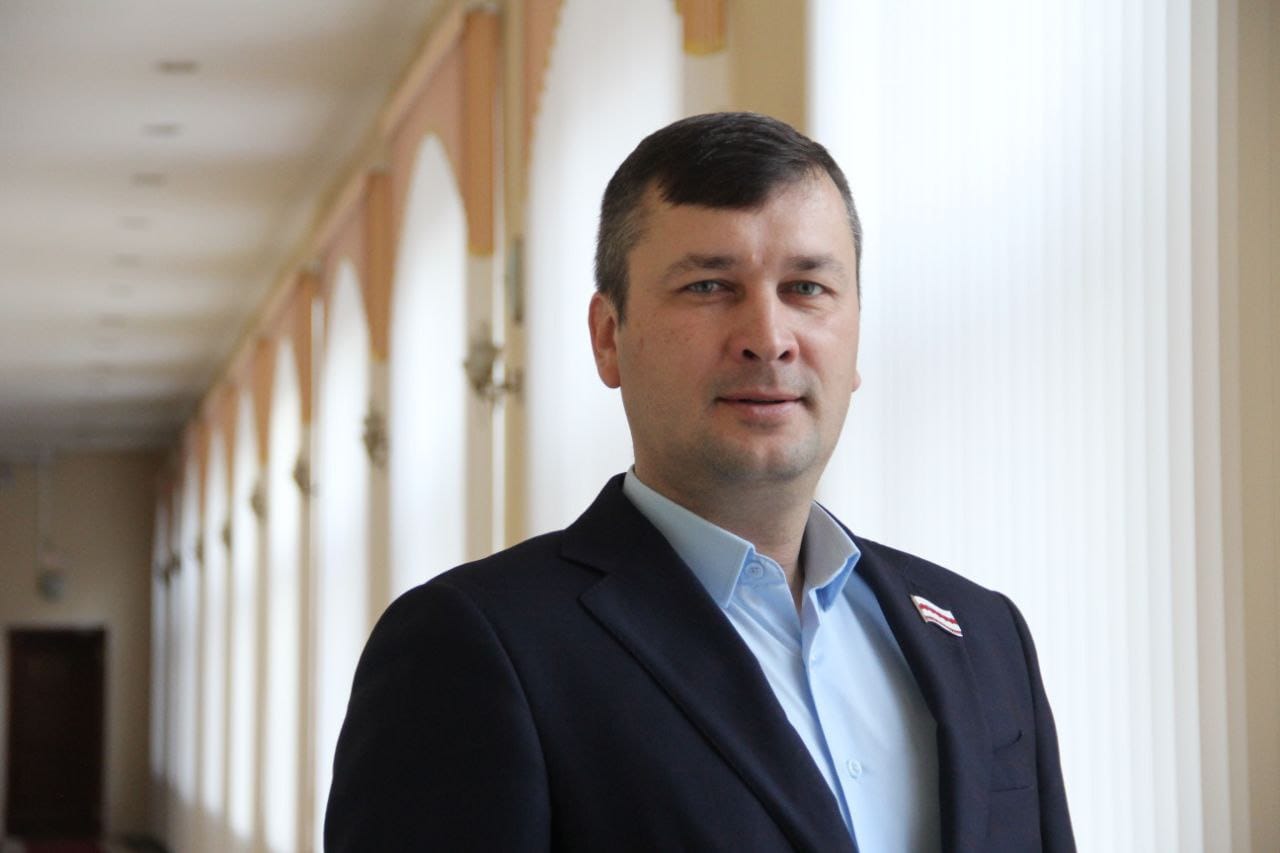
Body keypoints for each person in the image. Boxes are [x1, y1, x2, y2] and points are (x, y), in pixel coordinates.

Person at [325, 112, 1074, 852]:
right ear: (608, 338)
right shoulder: (475, 646)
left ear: (855, 332)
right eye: (710, 285)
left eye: (807, 287)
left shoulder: (984, 635)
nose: (769, 339)